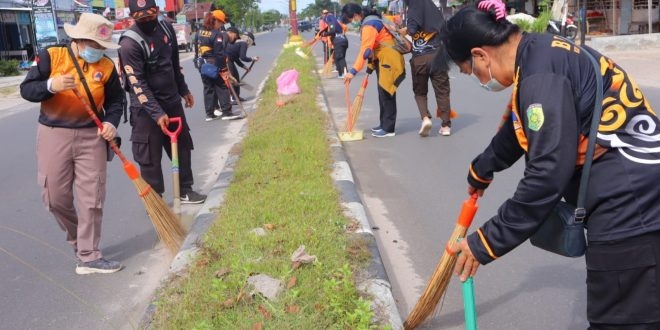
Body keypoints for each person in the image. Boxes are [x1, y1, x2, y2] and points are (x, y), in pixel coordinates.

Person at [444, 1, 660, 329]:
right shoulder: (539, 51)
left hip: (629, 202)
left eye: (470, 71)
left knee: (620, 319)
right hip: (641, 183)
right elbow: (525, 126)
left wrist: (485, 241)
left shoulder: (540, 76)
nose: (478, 80)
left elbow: (546, 174)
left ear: (481, 55)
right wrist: (483, 168)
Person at [20, 13, 125, 274]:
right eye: (95, 45)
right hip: (54, 133)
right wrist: (50, 85)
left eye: (103, 47)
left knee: (92, 198)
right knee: (55, 197)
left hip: (92, 136)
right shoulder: (51, 56)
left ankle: (89, 255)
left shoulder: (108, 67)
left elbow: (115, 102)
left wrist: (111, 123)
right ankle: (79, 240)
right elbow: (27, 89)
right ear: (78, 39)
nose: (99, 51)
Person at [119, 0, 207, 205]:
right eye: (142, 19)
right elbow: (137, 84)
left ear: (157, 12)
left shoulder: (166, 28)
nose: (148, 22)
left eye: (150, 17)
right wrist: (157, 113)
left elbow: (173, 63)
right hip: (145, 109)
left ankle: (185, 189)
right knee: (149, 156)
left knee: (183, 145)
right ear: (133, 18)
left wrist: (183, 89)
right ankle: (156, 201)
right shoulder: (129, 43)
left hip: (171, 100)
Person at [341, 4, 405, 138]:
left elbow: (365, 50)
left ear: (356, 14)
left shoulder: (369, 25)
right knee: (382, 93)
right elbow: (372, 50)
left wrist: (353, 71)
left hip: (388, 59)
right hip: (382, 59)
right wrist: (370, 67)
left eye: (351, 18)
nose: (352, 21)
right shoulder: (369, 20)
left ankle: (389, 129)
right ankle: (383, 124)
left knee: (387, 92)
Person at [404, 0, 453, 137]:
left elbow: (412, 30)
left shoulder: (414, 6)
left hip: (420, 58)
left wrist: (405, 30)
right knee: (442, 91)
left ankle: (425, 118)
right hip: (438, 56)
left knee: (420, 92)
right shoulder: (434, 10)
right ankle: (445, 126)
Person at [195, 10, 237, 121]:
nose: (222, 25)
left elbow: (196, 50)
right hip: (213, 64)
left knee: (208, 88)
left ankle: (209, 114)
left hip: (202, 64)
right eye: (221, 22)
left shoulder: (199, 32)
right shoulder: (216, 34)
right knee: (222, 86)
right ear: (216, 21)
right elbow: (219, 53)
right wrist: (224, 69)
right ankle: (227, 112)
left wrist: (197, 63)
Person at [225, 26, 258, 104]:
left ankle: (236, 96)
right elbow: (243, 57)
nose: (250, 45)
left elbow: (236, 59)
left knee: (236, 78)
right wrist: (252, 59)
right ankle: (233, 98)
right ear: (248, 40)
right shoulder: (243, 43)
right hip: (227, 61)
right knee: (233, 80)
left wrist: (245, 67)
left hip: (230, 61)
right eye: (251, 43)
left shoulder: (237, 42)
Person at [320, 10, 349, 78]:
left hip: (339, 41)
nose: (324, 15)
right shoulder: (336, 21)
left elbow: (332, 31)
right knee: (337, 58)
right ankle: (340, 74)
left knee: (340, 58)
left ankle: (345, 73)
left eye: (325, 14)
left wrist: (325, 34)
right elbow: (344, 27)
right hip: (343, 40)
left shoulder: (330, 19)